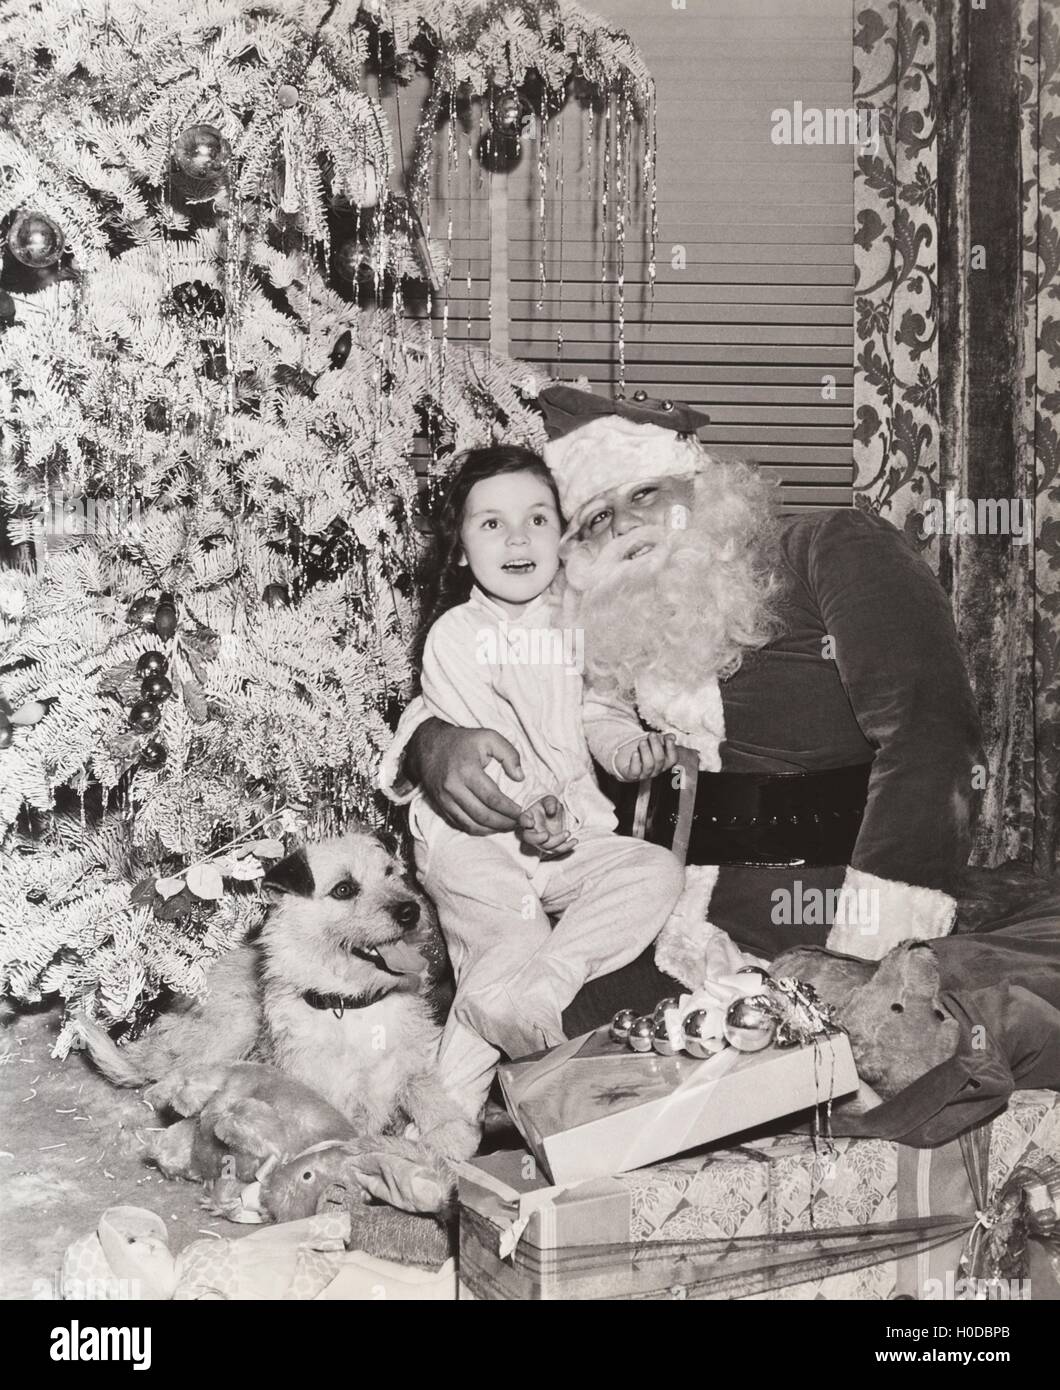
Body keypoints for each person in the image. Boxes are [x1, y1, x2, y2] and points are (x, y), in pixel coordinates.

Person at [381, 392, 983, 1032]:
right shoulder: (609, 609)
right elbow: (493, 658)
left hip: (827, 930)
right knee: (525, 1040)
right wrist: (433, 739)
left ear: (697, 482)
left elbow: (931, 738)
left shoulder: (830, 545)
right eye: (593, 519)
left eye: (643, 494)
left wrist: (872, 947)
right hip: (673, 931)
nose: (620, 527)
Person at [382, 443, 684, 1139]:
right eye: (491, 524)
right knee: (509, 938)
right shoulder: (457, 636)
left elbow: (601, 713)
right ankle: (439, 1133)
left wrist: (627, 750)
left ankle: (543, 991)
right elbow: (482, 757)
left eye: (537, 519)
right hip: (477, 836)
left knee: (652, 871)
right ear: (459, 551)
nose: (518, 539)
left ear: (563, 535)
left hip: (563, 835)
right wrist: (531, 811)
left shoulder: (581, 627)